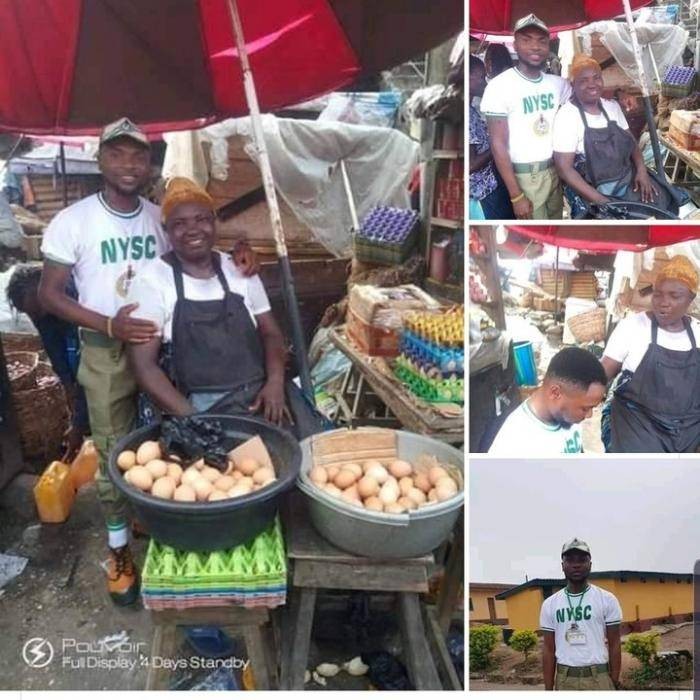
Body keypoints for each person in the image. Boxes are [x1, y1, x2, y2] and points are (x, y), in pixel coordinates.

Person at [38, 118, 258, 606]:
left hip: (163, 349)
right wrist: (108, 325)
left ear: (149, 163)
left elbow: (197, 243)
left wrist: (240, 251)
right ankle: (118, 550)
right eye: (117, 154)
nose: (128, 164)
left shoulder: (160, 217)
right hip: (105, 350)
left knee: (168, 437)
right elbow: (48, 294)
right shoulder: (73, 221)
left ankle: (163, 518)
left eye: (138, 156)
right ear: (100, 161)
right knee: (116, 450)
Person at [126, 177, 322, 438]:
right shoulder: (151, 281)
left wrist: (275, 383)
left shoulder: (239, 269)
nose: (193, 229)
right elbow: (144, 367)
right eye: (179, 224)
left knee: (306, 454)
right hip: (201, 406)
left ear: (213, 221)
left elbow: (271, 334)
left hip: (261, 395)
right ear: (167, 231)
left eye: (201, 219)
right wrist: (193, 420)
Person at [601, 255, 700, 453]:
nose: (664, 302)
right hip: (636, 426)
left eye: (675, 296)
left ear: (690, 299)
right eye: (658, 294)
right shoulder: (633, 327)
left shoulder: (698, 333)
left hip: (688, 432)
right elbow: (601, 373)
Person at [480, 14, 571, 220]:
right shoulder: (499, 86)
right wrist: (516, 195)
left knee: (556, 222)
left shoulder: (557, 84)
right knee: (534, 232)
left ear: (549, 45)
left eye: (542, 41)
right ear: (515, 44)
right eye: (526, 40)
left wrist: (619, 94)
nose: (535, 47)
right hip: (524, 176)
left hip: (554, 170)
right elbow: (498, 144)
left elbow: (584, 98)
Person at [553, 55, 659, 218]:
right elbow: (564, 169)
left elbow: (631, 143)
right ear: (573, 84)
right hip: (592, 193)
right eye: (584, 80)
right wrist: (602, 201)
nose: (592, 84)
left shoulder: (612, 107)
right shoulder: (567, 116)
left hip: (626, 183)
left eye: (597, 78)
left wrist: (642, 171)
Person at [7, 264, 89, 459]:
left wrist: (78, 424)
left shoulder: (79, 296)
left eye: (37, 312)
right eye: (31, 314)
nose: (35, 318)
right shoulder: (40, 312)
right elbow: (55, 353)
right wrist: (69, 388)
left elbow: (89, 373)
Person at [488, 347, 607, 455]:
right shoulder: (515, 444)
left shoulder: (568, 418)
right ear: (555, 393)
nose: (589, 415)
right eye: (585, 408)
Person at [541, 538, 622, 691]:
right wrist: (548, 689)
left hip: (599, 678)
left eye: (582, 560)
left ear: (590, 565)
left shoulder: (607, 599)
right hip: (565, 680)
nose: (576, 564)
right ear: (562, 566)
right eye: (570, 560)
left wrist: (614, 680)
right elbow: (548, 649)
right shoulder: (550, 604)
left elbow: (615, 644)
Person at [469, 55, 514, 219]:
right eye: (481, 77)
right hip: (483, 191)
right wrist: (496, 144)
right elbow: (471, 164)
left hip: (491, 185)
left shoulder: (472, 111)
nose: (484, 82)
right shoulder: (466, 115)